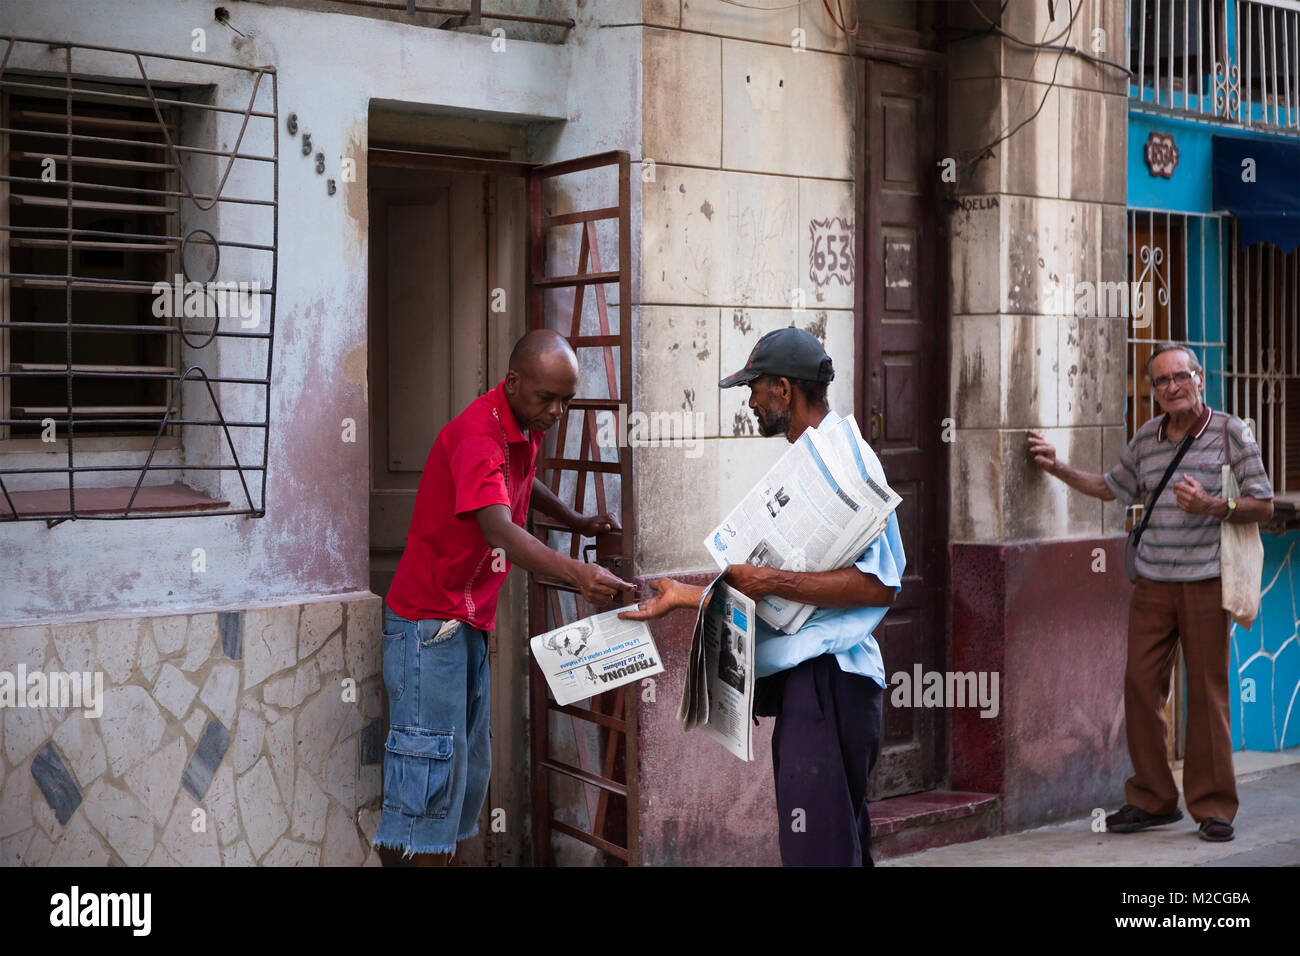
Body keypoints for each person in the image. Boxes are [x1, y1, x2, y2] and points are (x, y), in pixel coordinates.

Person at [621, 327, 906, 866]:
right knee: (835, 845)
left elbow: (881, 586)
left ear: (783, 389)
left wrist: (773, 582)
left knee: (817, 851)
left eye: (754, 387)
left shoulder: (850, 463)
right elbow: (762, 582)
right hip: (815, 683)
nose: (750, 401)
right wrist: (686, 596)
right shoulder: (809, 460)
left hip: (832, 682)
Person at [376, 329, 634, 865]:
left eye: (566, 400)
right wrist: (576, 574)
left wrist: (574, 518)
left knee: (465, 780)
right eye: (547, 398)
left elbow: (519, 481)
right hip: (429, 627)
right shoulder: (478, 435)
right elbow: (498, 526)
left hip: (466, 624)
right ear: (513, 381)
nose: (557, 411)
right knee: (431, 788)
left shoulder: (518, 424)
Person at [1026, 342, 1272, 842]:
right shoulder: (1147, 438)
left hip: (1206, 582)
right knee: (1139, 688)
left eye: (1180, 376)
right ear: (1153, 391)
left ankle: (1213, 807)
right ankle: (1154, 799)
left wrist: (1212, 505)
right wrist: (1056, 467)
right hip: (1153, 584)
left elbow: (1263, 504)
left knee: (1207, 696)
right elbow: (1111, 487)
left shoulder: (1231, 433)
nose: (1172, 387)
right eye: (1161, 381)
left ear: (1199, 378)